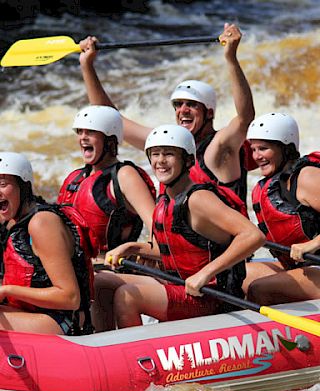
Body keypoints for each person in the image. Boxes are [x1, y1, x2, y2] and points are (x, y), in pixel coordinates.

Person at [105, 125, 265, 328]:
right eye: (155, 154)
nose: (160, 161)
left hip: (210, 297)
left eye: (169, 154)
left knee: (127, 296)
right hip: (180, 286)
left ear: (188, 160)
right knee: (103, 282)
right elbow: (177, 250)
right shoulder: (165, 201)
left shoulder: (199, 198)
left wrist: (205, 273)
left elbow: (253, 235)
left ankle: (132, 355)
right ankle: (103, 344)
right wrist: (132, 247)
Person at [78, 23, 256, 204]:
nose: (182, 110)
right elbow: (109, 118)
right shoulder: (166, 142)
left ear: (209, 113)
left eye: (192, 105)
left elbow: (245, 118)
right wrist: (87, 65)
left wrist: (231, 58)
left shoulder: (219, 147)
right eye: (178, 105)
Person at [57, 105, 156, 331]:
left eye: (90, 132)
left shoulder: (124, 176)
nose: (82, 138)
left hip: (113, 271)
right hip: (76, 270)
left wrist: (143, 251)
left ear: (110, 140)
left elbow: (158, 227)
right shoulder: (75, 178)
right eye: (79, 132)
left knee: (95, 282)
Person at [0, 152, 93, 335]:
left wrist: (8, 290)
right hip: (33, 314)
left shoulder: (42, 223)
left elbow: (70, 297)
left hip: (64, 323)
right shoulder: (11, 222)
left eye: (3, 184)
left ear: (24, 186)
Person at [243, 112, 320, 305]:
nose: (257, 156)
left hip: (317, 268)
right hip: (302, 267)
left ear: (286, 148)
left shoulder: (307, 177)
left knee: (260, 289)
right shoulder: (270, 186)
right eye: (254, 149)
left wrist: (312, 244)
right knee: (237, 277)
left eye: (264, 148)